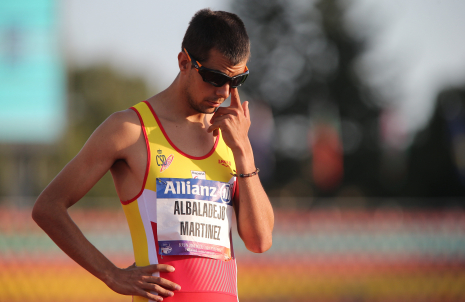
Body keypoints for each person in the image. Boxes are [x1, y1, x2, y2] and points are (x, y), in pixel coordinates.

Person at [32, 8, 274, 302]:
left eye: (236, 81)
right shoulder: (129, 130)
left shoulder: (231, 137)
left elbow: (260, 241)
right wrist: (111, 274)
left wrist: (244, 153)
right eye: (214, 77)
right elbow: (48, 207)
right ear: (184, 62)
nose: (223, 92)